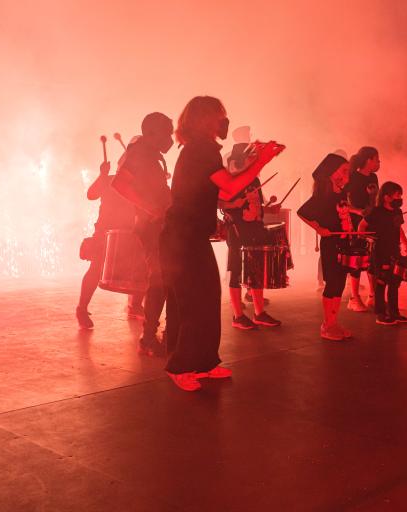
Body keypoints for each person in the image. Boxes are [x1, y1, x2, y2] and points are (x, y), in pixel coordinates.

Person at [160, 95, 284, 391]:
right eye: (219, 115)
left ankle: (204, 363)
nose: (223, 120)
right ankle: (180, 366)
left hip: (190, 237)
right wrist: (262, 161)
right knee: (192, 303)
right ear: (206, 119)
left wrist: (253, 161)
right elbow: (229, 185)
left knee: (206, 298)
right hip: (182, 239)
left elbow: (222, 190)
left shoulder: (201, 150)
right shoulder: (201, 149)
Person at [113, 112, 174, 356]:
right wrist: (150, 208)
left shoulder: (152, 155)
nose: (170, 138)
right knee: (159, 280)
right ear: (152, 133)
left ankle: (158, 334)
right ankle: (148, 338)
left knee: (165, 279)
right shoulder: (139, 153)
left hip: (158, 224)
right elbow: (119, 183)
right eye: (166, 133)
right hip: (151, 227)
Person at [76, 160, 143, 329]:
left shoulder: (139, 183)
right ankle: (81, 309)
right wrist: (102, 175)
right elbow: (91, 194)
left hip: (130, 231)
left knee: (141, 268)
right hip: (104, 232)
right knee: (95, 269)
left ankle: (134, 306)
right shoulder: (109, 180)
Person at [221, 145, 282, 330]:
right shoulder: (230, 179)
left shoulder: (254, 179)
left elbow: (258, 206)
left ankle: (259, 313)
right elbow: (218, 203)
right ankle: (238, 316)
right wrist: (234, 204)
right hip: (237, 231)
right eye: (251, 157)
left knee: (256, 272)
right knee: (236, 272)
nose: (254, 161)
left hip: (255, 229)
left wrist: (270, 209)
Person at [297, 154, 353, 341]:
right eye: (343, 170)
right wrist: (319, 229)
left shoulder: (341, 193)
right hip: (331, 244)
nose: (347, 174)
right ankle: (327, 325)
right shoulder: (322, 195)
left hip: (343, 242)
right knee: (332, 284)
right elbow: (302, 212)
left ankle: (334, 322)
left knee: (340, 283)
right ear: (332, 172)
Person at [359, 181, 407, 325]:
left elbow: (399, 229)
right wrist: (366, 238)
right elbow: (362, 226)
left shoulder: (397, 212)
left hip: (394, 250)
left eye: (400, 195)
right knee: (381, 281)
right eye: (397, 195)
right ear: (386, 197)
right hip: (380, 251)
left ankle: (394, 313)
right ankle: (381, 314)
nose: (400, 198)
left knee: (394, 282)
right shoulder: (376, 212)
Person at [345, 147, 380, 312]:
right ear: (368, 160)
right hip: (356, 222)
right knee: (357, 259)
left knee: (372, 258)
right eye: (377, 159)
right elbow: (343, 203)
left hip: (371, 222)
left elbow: (375, 200)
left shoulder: (373, 177)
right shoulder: (352, 177)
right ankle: (354, 297)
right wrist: (358, 211)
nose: (379, 163)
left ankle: (373, 295)